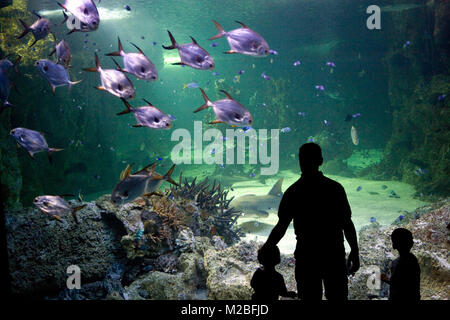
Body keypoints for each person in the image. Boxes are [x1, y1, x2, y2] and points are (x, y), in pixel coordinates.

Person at [263, 142, 360, 300]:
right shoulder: (335, 189)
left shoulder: (293, 192)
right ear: (321, 161)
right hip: (333, 254)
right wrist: (354, 251)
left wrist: (268, 246)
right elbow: (347, 223)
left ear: (299, 161)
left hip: (306, 256)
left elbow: (281, 227)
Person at [380, 228, 421, 300]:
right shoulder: (413, 259)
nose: (412, 242)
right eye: (411, 239)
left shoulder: (397, 263)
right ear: (411, 243)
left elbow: (399, 286)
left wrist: (386, 279)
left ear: (394, 245)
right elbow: (407, 285)